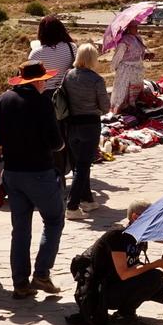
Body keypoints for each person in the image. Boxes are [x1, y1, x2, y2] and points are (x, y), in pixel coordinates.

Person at [0, 61, 65, 299]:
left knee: (20, 229)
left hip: (12, 172)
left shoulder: (3, 100)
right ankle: (41, 273)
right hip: (39, 172)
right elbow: (56, 142)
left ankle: (20, 283)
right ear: (39, 81)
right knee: (54, 220)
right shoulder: (42, 102)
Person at [63, 43, 109, 220]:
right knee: (83, 166)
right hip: (90, 125)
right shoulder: (96, 80)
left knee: (79, 165)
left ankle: (87, 199)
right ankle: (72, 206)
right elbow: (105, 107)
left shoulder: (68, 75)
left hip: (71, 124)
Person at [110, 20, 152, 113]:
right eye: (134, 26)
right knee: (123, 93)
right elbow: (117, 57)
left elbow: (140, 54)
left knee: (135, 95)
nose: (137, 28)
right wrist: (114, 67)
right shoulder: (124, 41)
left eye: (137, 26)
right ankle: (120, 112)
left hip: (137, 72)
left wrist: (147, 55)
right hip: (126, 71)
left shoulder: (138, 38)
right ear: (128, 28)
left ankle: (133, 112)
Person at [29, 15, 77, 95]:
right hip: (67, 93)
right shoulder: (72, 47)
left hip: (45, 94)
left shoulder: (36, 53)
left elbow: (31, 80)